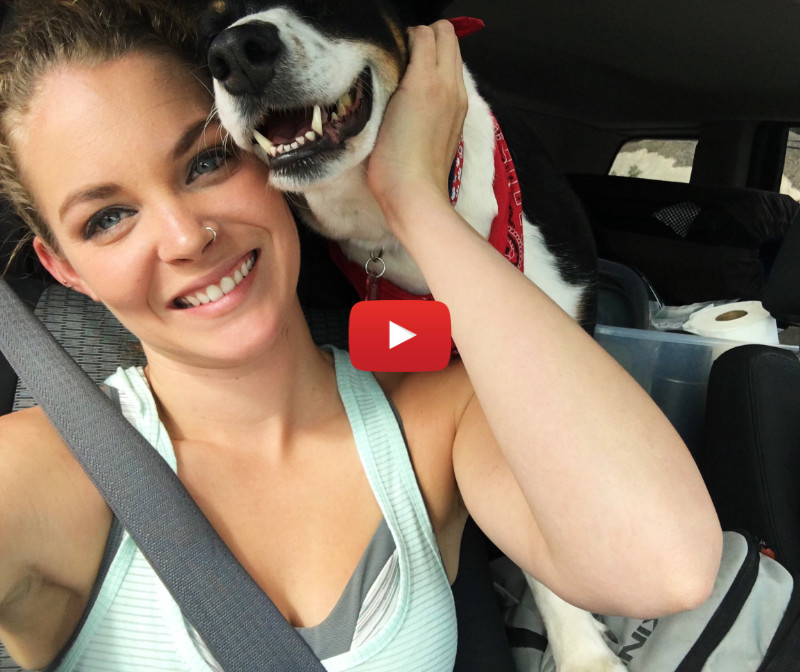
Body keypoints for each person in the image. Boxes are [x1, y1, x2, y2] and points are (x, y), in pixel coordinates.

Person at [0, 1, 722, 670]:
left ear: (260, 154)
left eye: (208, 161)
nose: (187, 238)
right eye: (106, 218)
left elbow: (665, 563)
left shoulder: (436, 413)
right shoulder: (36, 474)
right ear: (63, 267)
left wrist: (411, 196)